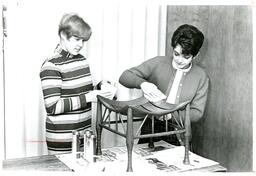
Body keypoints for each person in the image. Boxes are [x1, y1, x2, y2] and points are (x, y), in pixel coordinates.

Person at [119, 24, 209, 145]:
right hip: (150, 125)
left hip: (178, 131)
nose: (179, 60)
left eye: (186, 56)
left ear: (195, 55)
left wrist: (171, 115)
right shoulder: (158, 62)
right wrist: (143, 83)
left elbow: (197, 113)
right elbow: (124, 76)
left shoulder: (201, 76)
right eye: (176, 54)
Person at [40, 13, 113, 154]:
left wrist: (101, 86)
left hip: (84, 136)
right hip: (62, 139)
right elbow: (52, 107)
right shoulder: (51, 65)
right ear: (62, 34)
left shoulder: (82, 60)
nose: (80, 44)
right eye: (76, 39)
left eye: (83, 41)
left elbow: (83, 91)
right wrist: (88, 98)